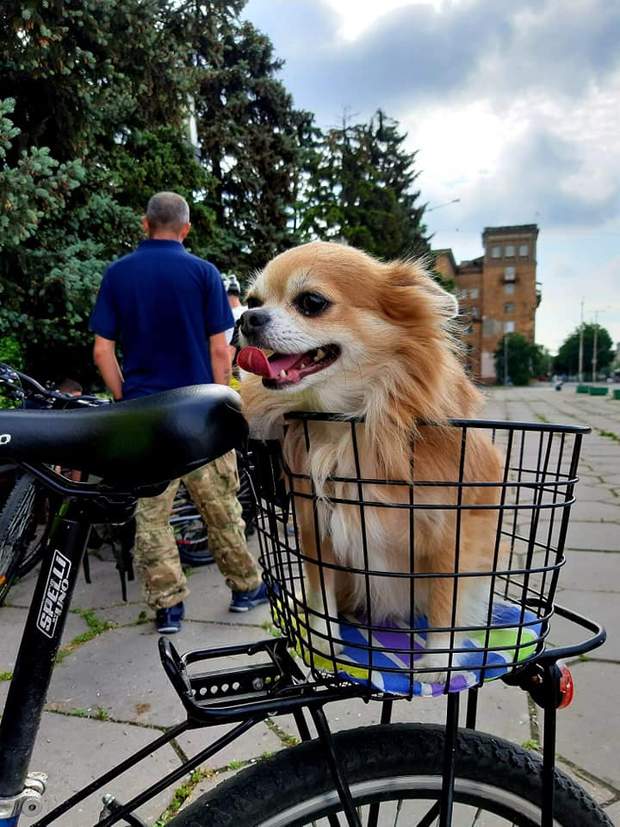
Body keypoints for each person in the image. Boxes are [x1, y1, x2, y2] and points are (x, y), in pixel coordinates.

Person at [90, 191, 267, 633]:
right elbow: (219, 350)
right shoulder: (203, 274)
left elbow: (102, 351)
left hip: (145, 419)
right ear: (186, 229)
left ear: (145, 224)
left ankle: (168, 608)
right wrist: (222, 398)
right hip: (199, 416)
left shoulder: (118, 274)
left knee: (152, 518)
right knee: (221, 509)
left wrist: (125, 401)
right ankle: (246, 589)